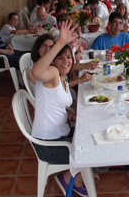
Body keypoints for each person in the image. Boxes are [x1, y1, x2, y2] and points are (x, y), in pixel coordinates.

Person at [29, 21, 88, 196]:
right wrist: (60, 42)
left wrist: (71, 116)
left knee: (94, 137)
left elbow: (57, 106)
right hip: (48, 146)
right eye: (60, 57)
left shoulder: (62, 78)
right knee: (96, 153)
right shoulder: (53, 73)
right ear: (53, 61)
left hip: (61, 133)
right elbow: (37, 73)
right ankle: (69, 178)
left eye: (68, 57)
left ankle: (78, 174)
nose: (66, 61)